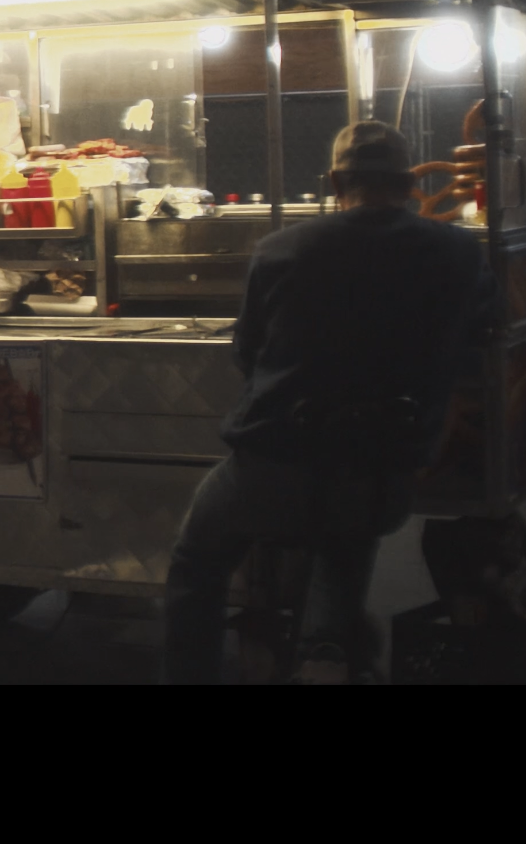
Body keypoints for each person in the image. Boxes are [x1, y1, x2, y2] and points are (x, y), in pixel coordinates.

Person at [162, 121, 491, 684]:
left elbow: (247, 352)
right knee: (346, 531)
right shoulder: (460, 252)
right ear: (410, 182)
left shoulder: (280, 249)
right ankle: (325, 650)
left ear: (336, 182)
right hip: (385, 472)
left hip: (275, 468)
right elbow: (483, 338)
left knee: (196, 562)